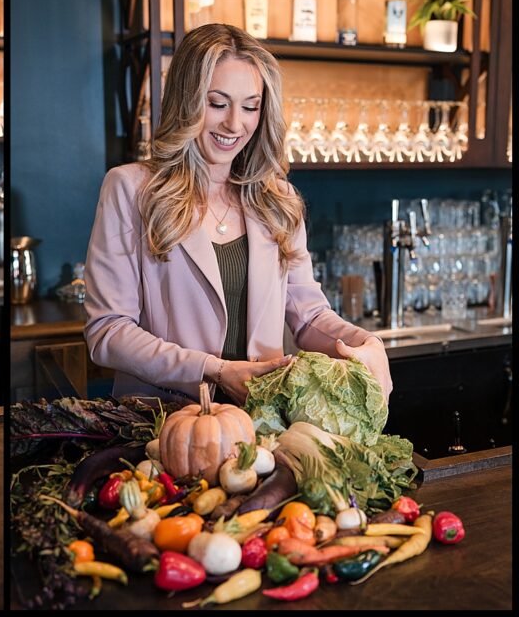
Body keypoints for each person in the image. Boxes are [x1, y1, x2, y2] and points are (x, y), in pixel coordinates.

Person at [84, 23, 391, 407]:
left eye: (250, 106)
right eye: (217, 103)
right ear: (187, 100)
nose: (235, 124)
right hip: (162, 424)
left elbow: (309, 317)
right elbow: (108, 332)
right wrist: (213, 370)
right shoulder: (130, 189)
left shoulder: (278, 200)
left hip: (261, 427)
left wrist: (365, 342)